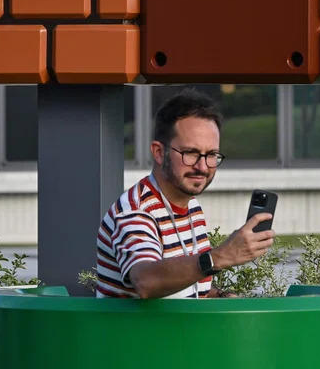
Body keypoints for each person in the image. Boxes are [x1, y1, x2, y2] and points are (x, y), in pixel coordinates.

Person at [95, 87, 275, 299]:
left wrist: (223, 296)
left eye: (211, 155)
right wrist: (219, 257)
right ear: (159, 152)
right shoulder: (136, 210)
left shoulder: (191, 207)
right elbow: (146, 281)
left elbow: (187, 291)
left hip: (179, 331)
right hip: (136, 333)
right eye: (191, 153)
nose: (203, 167)